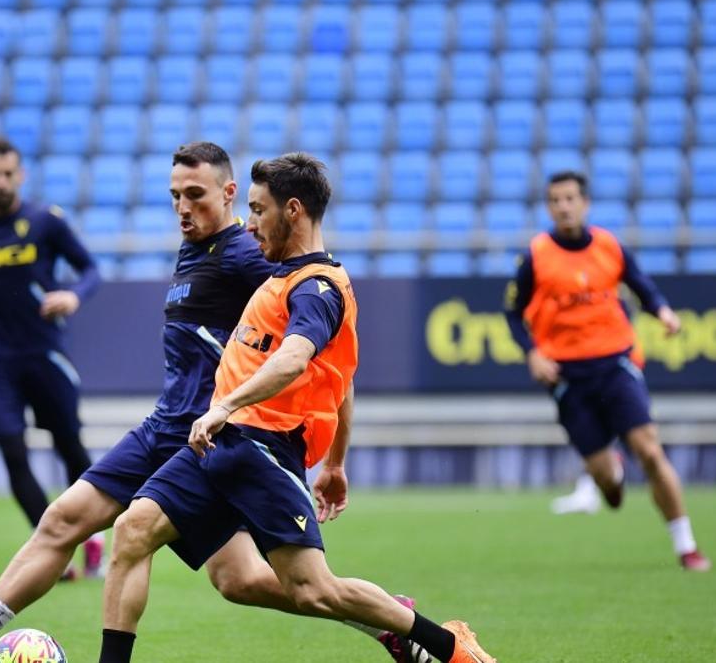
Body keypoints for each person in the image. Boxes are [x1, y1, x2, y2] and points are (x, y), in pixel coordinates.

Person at [0, 142, 431, 663]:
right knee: (86, 527)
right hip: (166, 425)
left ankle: (387, 619)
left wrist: (330, 455)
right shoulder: (195, 247)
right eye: (174, 195)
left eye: (194, 194)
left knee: (238, 577)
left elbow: (317, 352)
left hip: (207, 436)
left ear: (227, 193)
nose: (182, 207)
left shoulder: (249, 257)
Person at [95, 153, 496, 663]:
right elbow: (343, 379)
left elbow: (293, 358)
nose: (251, 222)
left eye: (259, 210)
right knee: (133, 530)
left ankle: (450, 647)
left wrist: (226, 407)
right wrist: (335, 462)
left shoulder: (319, 289)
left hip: (261, 447)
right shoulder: (283, 277)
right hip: (221, 446)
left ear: (293, 211)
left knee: (314, 590)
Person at [505, 170, 711, 571]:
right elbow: (513, 313)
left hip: (615, 363)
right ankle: (609, 476)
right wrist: (532, 353)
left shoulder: (608, 246)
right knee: (610, 489)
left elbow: (641, 286)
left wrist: (664, 312)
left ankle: (686, 546)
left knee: (650, 450)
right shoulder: (536, 255)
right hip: (567, 376)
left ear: (584, 203)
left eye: (570, 198)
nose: (563, 206)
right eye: (555, 200)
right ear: (549, 207)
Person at [0, 137, 101, 559]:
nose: (0, 182)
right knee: (12, 451)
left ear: (20, 175)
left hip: (45, 354)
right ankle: (53, 545)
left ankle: (91, 537)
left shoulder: (45, 222)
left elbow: (89, 269)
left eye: (8, 174)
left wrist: (74, 297)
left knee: (69, 446)